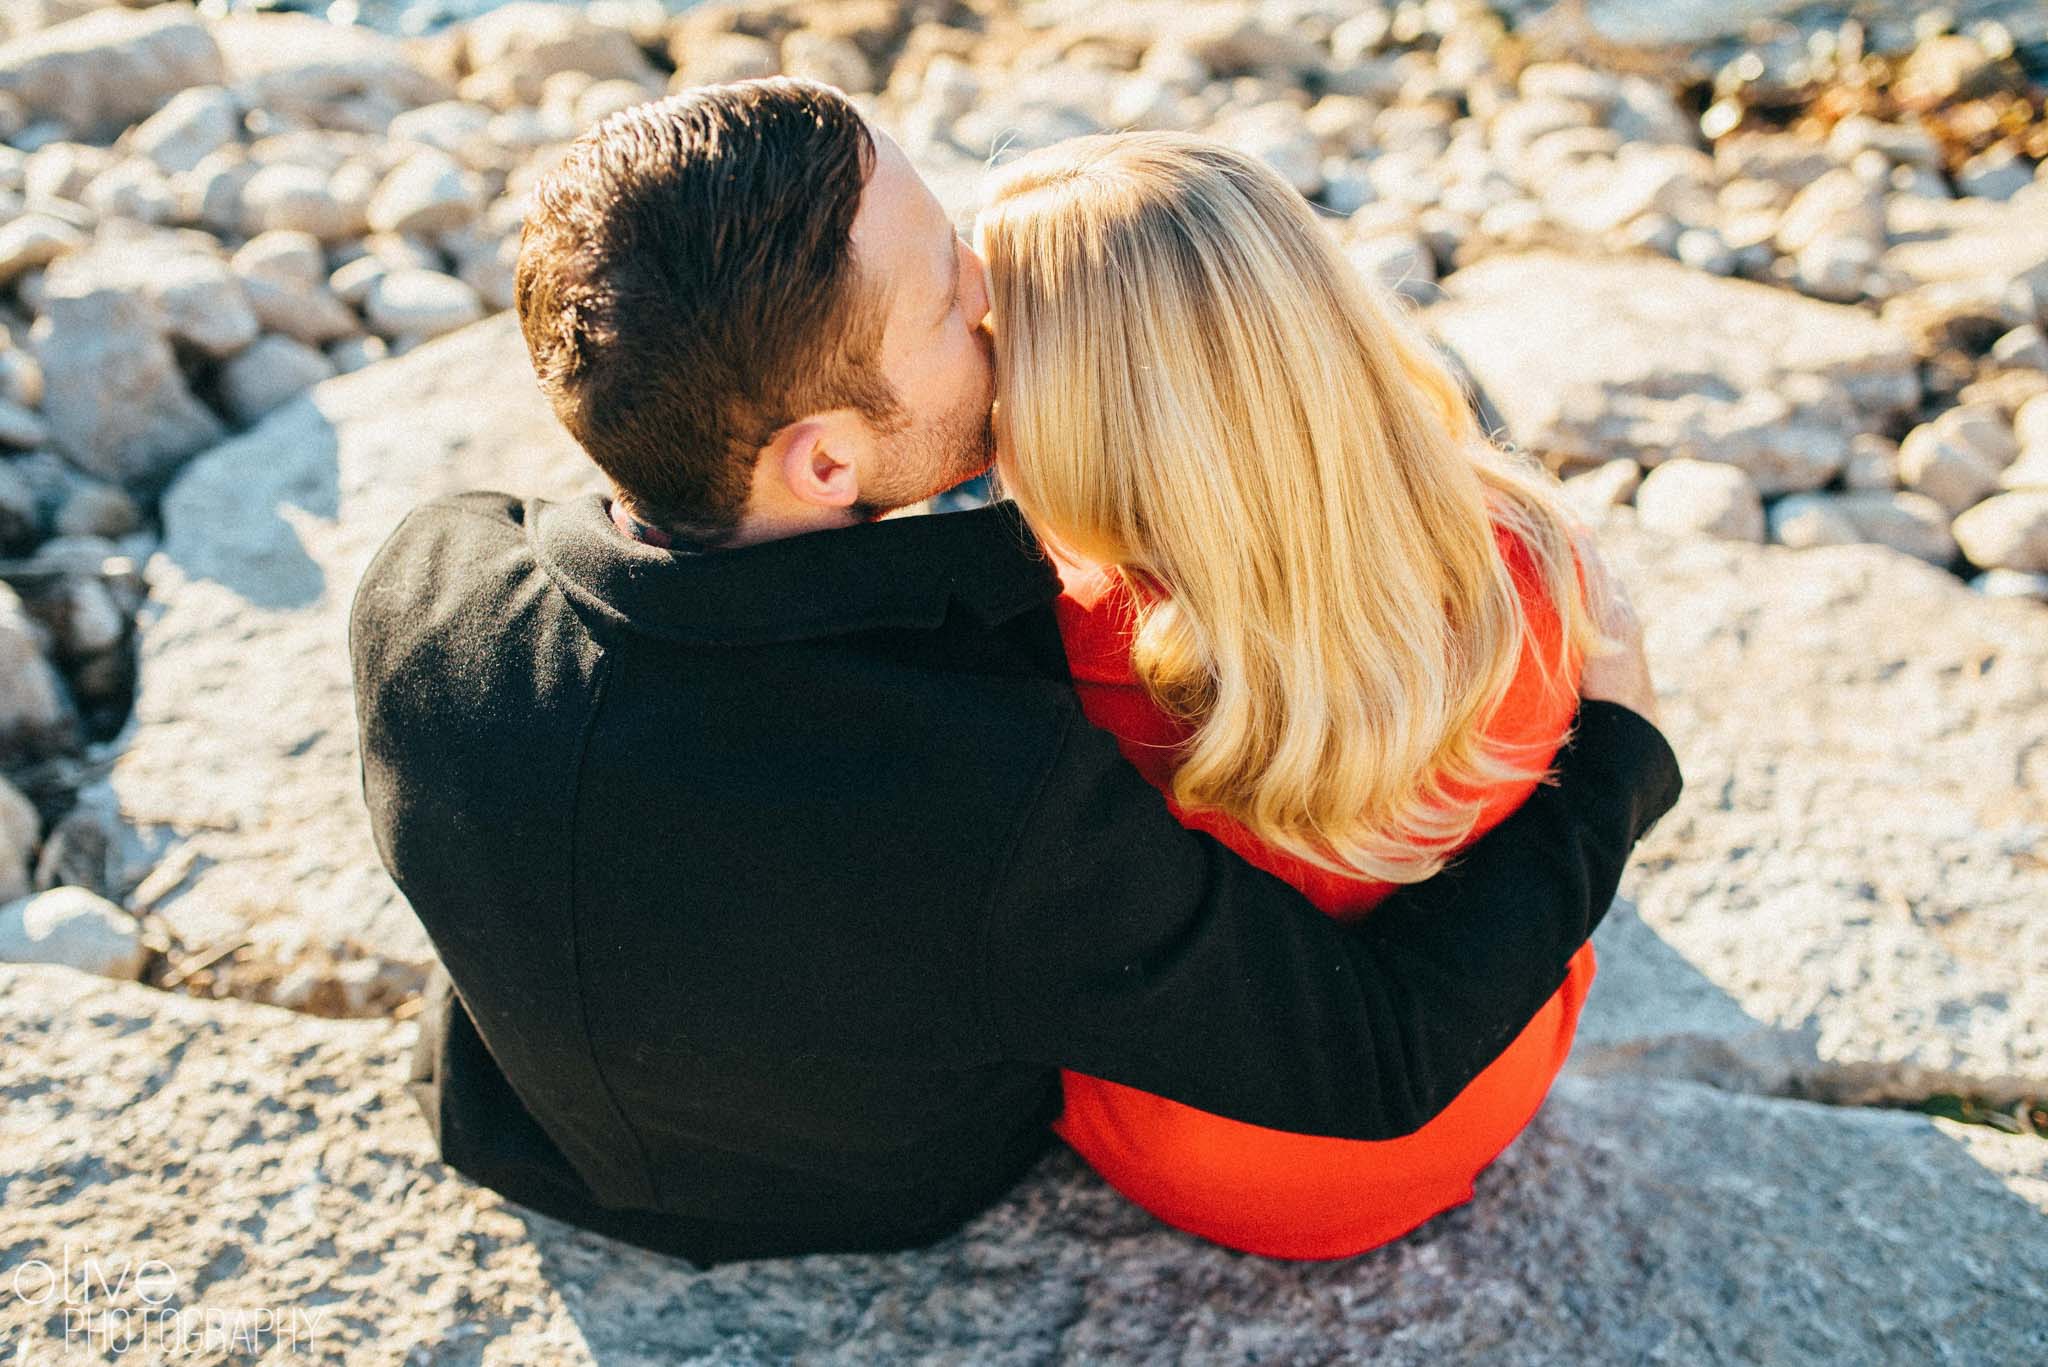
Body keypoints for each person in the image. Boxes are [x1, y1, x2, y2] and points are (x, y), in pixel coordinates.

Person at [347, 79, 1682, 1269]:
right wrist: (1613, 763)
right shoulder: (988, 769)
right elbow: (1373, 1053)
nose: (992, 291)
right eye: (950, 297)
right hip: (882, 1193)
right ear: (825, 462)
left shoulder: (424, 576)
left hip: (513, 1122)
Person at [975, 131, 1615, 1259]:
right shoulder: (1523, 544)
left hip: (1215, 1156)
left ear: (1066, 411)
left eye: (989, 352)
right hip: (1490, 1074)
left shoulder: (1054, 651)